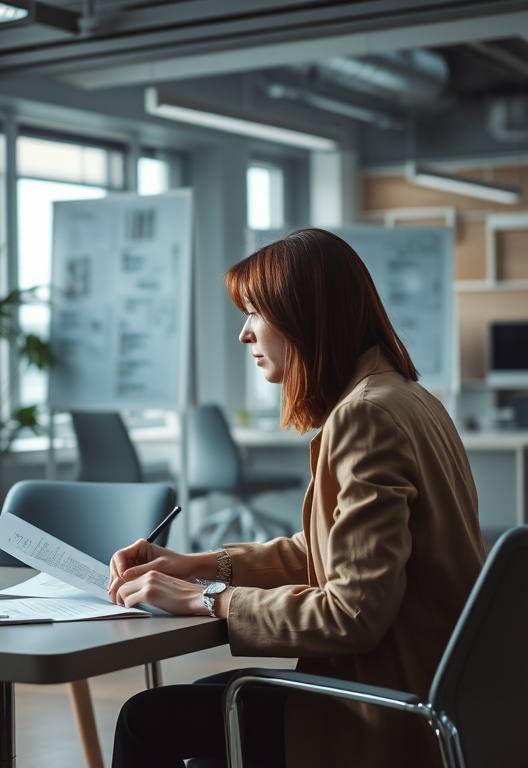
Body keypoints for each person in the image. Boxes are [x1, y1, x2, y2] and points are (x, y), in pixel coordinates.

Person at [107, 228, 485, 768]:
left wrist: (203, 596)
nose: (244, 335)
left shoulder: (365, 416)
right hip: (435, 689)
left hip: (388, 709)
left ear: (305, 318)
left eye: (255, 313)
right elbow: (327, 554)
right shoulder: (404, 396)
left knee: (147, 721)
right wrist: (194, 565)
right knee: (191, 703)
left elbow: (351, 613)